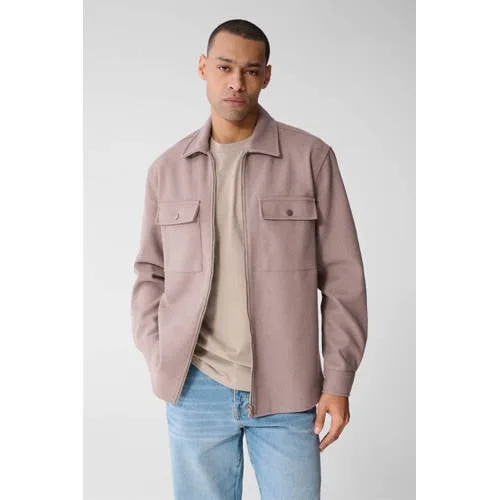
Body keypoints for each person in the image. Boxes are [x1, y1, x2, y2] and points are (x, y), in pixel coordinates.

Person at [131, 18, 368, 500]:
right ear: (203, 68)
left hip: (288, 389)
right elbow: (149, 273)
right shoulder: (166, 170)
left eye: (250, 70)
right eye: (224, 67)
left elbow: (344, 277)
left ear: (266, 76)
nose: (236, 82)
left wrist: (339, 380)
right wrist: (160, 354)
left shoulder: (311, 158)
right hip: (195, 388)